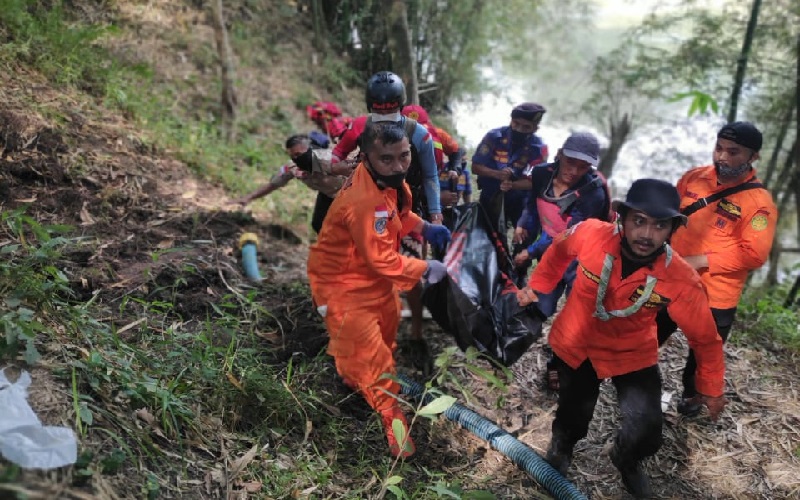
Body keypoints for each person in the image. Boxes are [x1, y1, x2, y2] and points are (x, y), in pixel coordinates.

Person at [517, 178, 727, 498]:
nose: (646, 234)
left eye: (659, 225)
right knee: (574, 413)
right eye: (638, 221)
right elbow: (558, 250)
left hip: (632, 351)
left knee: (647, 431)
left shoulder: (682, 278)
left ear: (672, 229)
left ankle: (626, 458)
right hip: (580, 342)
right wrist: (539, 285)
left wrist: (710, 387)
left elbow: (705, 338)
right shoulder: (589, 234)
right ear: (622, 218)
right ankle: (561, 448)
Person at [307, 121, 451, 458]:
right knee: (376, 358)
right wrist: (425, 268)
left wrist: (424, 226)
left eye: (404, 156)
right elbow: (380, 258)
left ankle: (354, 375)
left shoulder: (393, 185)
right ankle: (394, 425)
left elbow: (397, 217)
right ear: (366, 158)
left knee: (387, 332)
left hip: (374, 282)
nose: (399, 166)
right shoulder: (361, 199)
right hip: (342, 286)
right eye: (387, 159)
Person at [657, 121, 777, 416]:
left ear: (752, 156)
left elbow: (755, 254)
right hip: (671, 281)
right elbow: (670, 215)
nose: (722, 157)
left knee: (702, 355)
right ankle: (628, 376)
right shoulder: (694, 178)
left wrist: (703, 260)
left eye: (733, 152)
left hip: (716, 295)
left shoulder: (759, 204)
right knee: (647, 332)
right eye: (719, 148)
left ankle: (693, 398)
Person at [331, 72, 444, 359]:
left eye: (391, 108)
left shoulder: (418, 132)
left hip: (406, 207)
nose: (385, 115)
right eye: (380, 110)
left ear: (400, 105)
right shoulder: (359, 126)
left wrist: (435, 214)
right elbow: (337, 154)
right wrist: (343, 167)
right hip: (366, 207)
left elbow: (431, 175)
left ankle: (416, 328)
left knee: (412, 270)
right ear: (371, 106)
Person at [512, 131, 609, 314]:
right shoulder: (541, 173)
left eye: (583, 167)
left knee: (579, 306)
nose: (574, 172)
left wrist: (531, 251)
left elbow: (571, 234)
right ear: (559, 154)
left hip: (582, 255)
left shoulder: (593, 193)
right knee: (542, 304)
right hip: (551, 248)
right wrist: (523, 223)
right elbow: (533, 203)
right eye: (570, 162)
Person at [233, 134, 351, 234]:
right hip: (328, 194)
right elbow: (273, 185)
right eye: (292, 156)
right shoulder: (293, 167)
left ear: (311, 149)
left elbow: (357, 172)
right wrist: (248, 198)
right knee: (319, 224)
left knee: (352, 226)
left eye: (299, 154)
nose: (296, 159)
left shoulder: (329, 159)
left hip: (351, 192)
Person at [471, 102, 549, 238]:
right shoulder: (494, 137)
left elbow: (536, 181)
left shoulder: (538, 148)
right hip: (491, 196)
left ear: (535, 128)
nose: (519, 129)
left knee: (525, 237)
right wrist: (497, 174)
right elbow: (476, 167)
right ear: (511, 121)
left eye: (526, 127)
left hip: (520, 199)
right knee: (489, 238)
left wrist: (512, 185)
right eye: (516, 123)